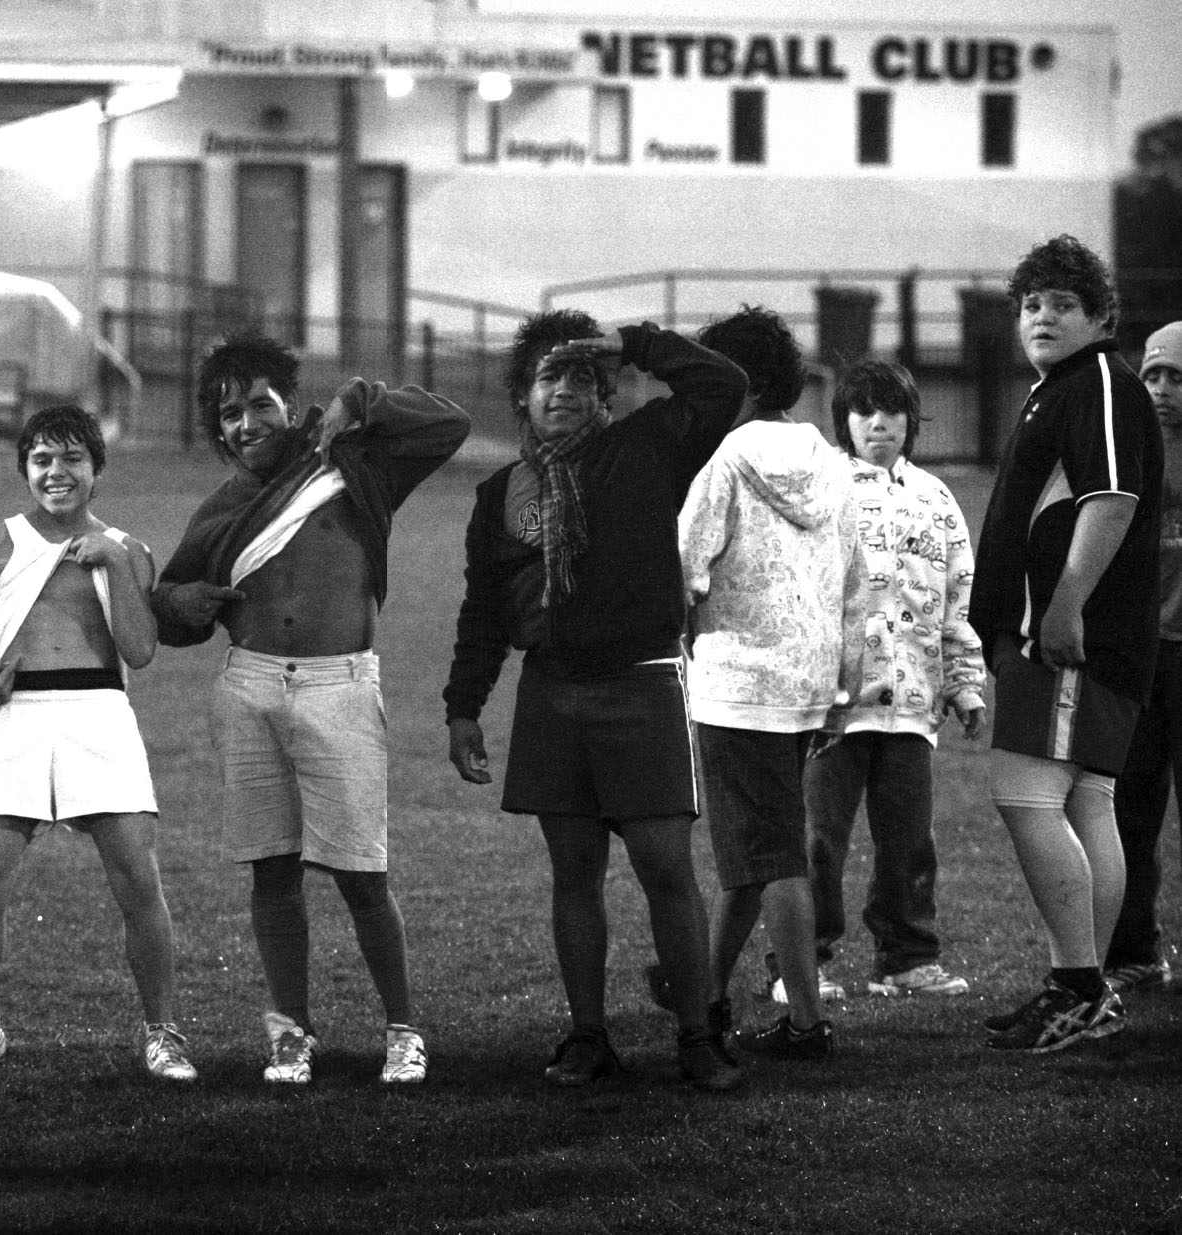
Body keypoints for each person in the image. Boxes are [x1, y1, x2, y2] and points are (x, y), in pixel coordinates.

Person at [152, 331, 467, 1086]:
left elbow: (448, 425)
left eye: (259, 404)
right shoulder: (222, 505)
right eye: (228, 414)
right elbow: (170, 614)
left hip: (340, 684)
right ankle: (291, 1032)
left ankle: (403, 1029)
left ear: (290, 406)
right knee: (272, 871)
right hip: (251, 684)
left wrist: (363, 398)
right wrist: (180, 600)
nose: (245, 424)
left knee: (363, 874)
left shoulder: (351, 463)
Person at [444, 308, 746, 1091]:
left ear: (608, 392)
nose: (565, 390)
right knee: (573, 871)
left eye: (583, 376)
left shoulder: (647, 446)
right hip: (553, 691)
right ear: (523, 396)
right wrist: (463, 704)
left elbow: (725, 384)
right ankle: (588, 1035)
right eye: (549, 375)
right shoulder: (502, 493)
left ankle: (697, 1035)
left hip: (642, 679)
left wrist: (637, 344)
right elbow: (485, 609)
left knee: (664, 865)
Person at [0, 405, 195, 1083]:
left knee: (138, 881)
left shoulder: (129, 547)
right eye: (41, 460)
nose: (55, 473)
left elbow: (141, 650)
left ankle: (163, 1033)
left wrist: (116, 565)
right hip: (15, 717)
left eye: (70, 459)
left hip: (99, 712)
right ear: (24, 470)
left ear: (97, 468)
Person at [970, 235, 1162, 1053]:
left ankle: (1079, 984)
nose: (1042, 316)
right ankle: (1081, 985)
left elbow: (1110, 497)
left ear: (1100, 316)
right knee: (1087, 801)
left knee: (1027, 796)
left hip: (1070, 641)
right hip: (1071, 640)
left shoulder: (1102, 384)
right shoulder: (1061, 389)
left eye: (1062, 304)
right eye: (1030, 305)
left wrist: (1064, 606)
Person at [678, 305, 865, 1061]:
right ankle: (707, 994)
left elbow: (685, 564)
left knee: (773, 855)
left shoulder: (724, 460)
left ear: (734, 383)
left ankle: (806, 1022)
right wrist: (841, 688)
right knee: (753, 854)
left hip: (737, 683)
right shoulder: (832, 460)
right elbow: (855, 583)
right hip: (809, 680)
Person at [803, 358, 985, 1001]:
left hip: (912, 704)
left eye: (892, 412)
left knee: (910, 843)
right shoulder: (819, 488)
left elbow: (961, 599)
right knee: (818, 841)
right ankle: (801, 964)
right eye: (863, 412)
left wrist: (964, 684)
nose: (879, 423)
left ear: (912, 421)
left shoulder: (937, 499)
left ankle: (906, 959)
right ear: (843, 421)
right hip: (832, 709)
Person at [1101, 321, 1182, 993]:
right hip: (1141, 654)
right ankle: (1134, 948)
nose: (1159, 390)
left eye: (1174, 378)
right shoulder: (1128, 448)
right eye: (1151, 376)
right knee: (1130, 806)